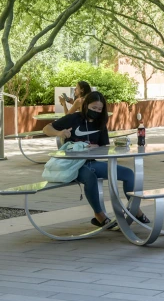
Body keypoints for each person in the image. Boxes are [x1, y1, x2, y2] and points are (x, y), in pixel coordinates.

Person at [43, 91, 150, 228]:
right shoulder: (73, 118)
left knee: (128, 174)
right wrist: (59, 133)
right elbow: (46, 128)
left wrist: (96, 148)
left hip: (92, 162)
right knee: (90, 177)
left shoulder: (100, 123)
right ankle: (99, 216)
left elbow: (104, 146)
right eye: (93, 108)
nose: (96, 111)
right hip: (75, 165)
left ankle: (135, 210)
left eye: (99, 109)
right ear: (86, 105)